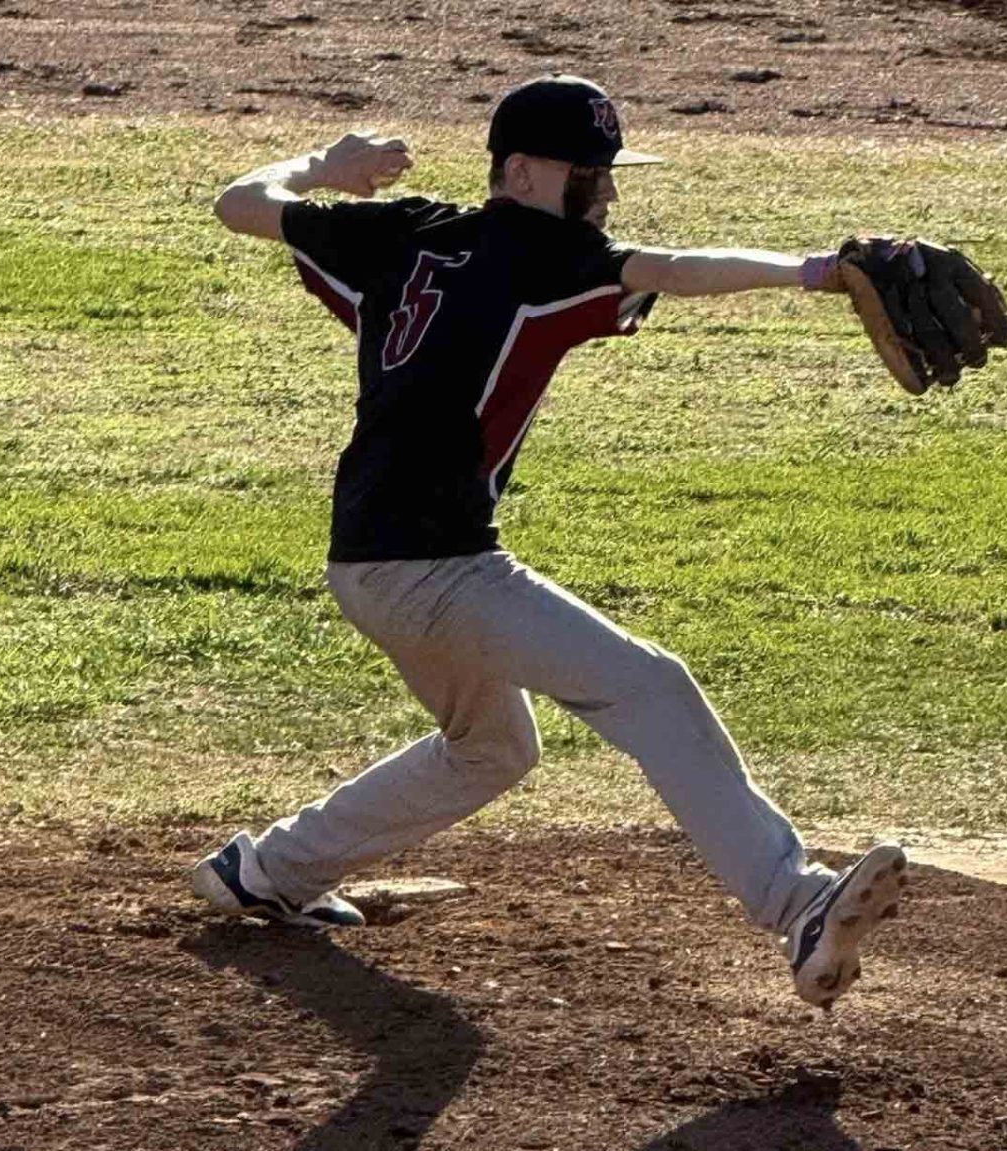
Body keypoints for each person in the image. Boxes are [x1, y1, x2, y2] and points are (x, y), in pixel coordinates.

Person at [192, 75, 907, 1010]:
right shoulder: (543, 253)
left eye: (606, 174)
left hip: (367, 562)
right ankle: (797, 901)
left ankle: (265, 870)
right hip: (439, 572)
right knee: (647, 683)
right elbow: (671, 268)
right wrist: (810, 269)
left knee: (491, 749)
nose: (603, 193)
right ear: (522, 171)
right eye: (587, 173)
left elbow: (242, 203)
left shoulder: (400, 233)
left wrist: (324, 167)